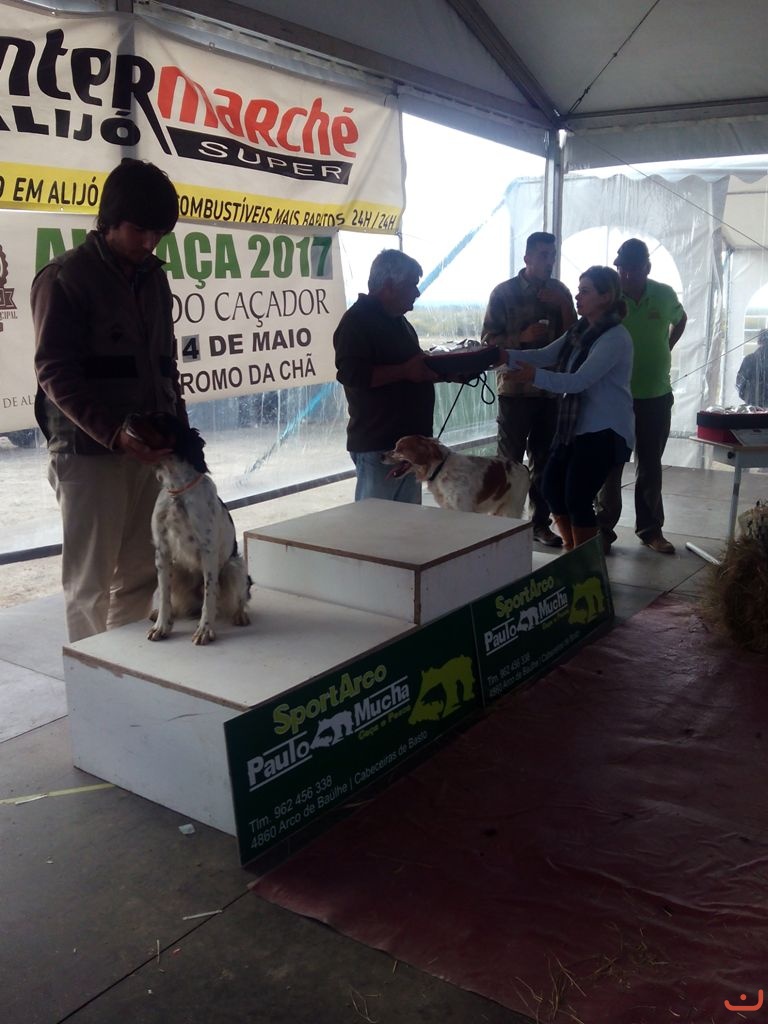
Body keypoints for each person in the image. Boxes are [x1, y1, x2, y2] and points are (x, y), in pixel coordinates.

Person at [32, 158, 186, 643]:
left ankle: (126, 672)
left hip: (149, 452)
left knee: (142, 572)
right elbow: (53, 371)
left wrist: (179, 440)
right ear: (109, 220)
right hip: (88, 454)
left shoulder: (154, 278)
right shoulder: (64, 277)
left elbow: (166, 365)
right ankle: (90, 677)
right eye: (140, 230)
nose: (150, 242)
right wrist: (114, 433)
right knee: (90, 585)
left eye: (159, 233)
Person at [497, 266, 634, 550]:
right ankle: (575, 552)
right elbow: (545, 355)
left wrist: (532, 376)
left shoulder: (615, 337)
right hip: (575, 428)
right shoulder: (580, 330)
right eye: (579, 290)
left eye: (585, 291)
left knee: (576, 496)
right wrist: (500, 355)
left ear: (606, 297)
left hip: (605, 430)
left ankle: (584, 562)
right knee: (551, 487)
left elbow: (578, 382)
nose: (577, 296)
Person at [481, 231, 577, 547]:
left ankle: (540, 524)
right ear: (527, 258)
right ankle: (502, 525)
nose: (549, 262)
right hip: (515, 392)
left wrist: (563, 305)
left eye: (552, 255)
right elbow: (487, 342)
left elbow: (577, 337)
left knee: (546, 461)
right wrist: (520, 338)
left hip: (549, 391)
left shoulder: (560, 292)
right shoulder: (503, 293)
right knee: (509, 460)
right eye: (543, 255)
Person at [595, 238, 687, 555]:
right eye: (621, 268)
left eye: (632, 268)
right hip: (615, 397)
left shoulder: (663, 294)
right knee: (610, 465)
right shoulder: (610, 298)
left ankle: (650, 530)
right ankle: (601, 530)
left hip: (655, 395)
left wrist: (666, 347)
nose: (626, 274)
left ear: (646, 267)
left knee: (650, 464)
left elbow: (681, 319)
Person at [333, 249, 439, 503]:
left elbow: (413, 368)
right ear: (390, 286)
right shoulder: (356, 322)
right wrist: (406, 370)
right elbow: (353, 375)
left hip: (409, 447)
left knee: (406, 523)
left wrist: (442, 371)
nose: (417, 292)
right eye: (412, 284)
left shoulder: (398, 321)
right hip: (379, 445)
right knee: (375, 523)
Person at [736, 329, 768, 407]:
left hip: (753, 406)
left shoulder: (749, 359)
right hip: (753, 405)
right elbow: (740, 384)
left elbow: (740, 385)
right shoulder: (749, 359)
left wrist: (750, 400)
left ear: (758, 342)